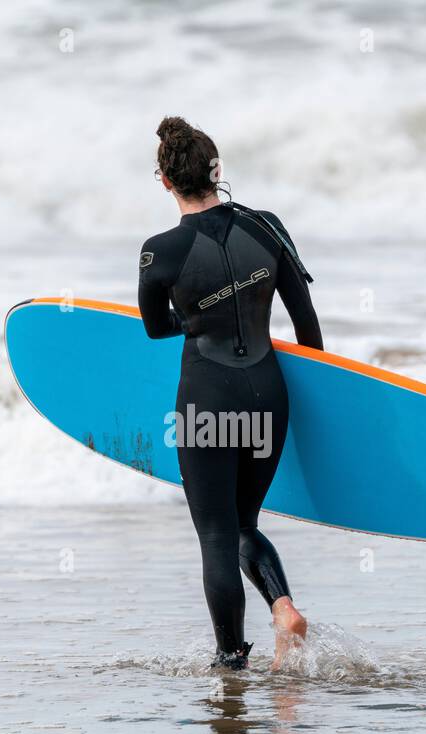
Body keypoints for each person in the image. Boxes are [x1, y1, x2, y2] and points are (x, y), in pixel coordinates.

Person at [138, 116, 322, 671]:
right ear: (218, 171)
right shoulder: (267, 228)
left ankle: (230, 662)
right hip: (269, 394)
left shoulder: (158, 251)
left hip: (207, 400)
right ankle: (282, 607)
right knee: (245, 524)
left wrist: (199, 315)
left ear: (164, 182)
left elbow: (153, 326)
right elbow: (307, 325)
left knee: (217, 536)